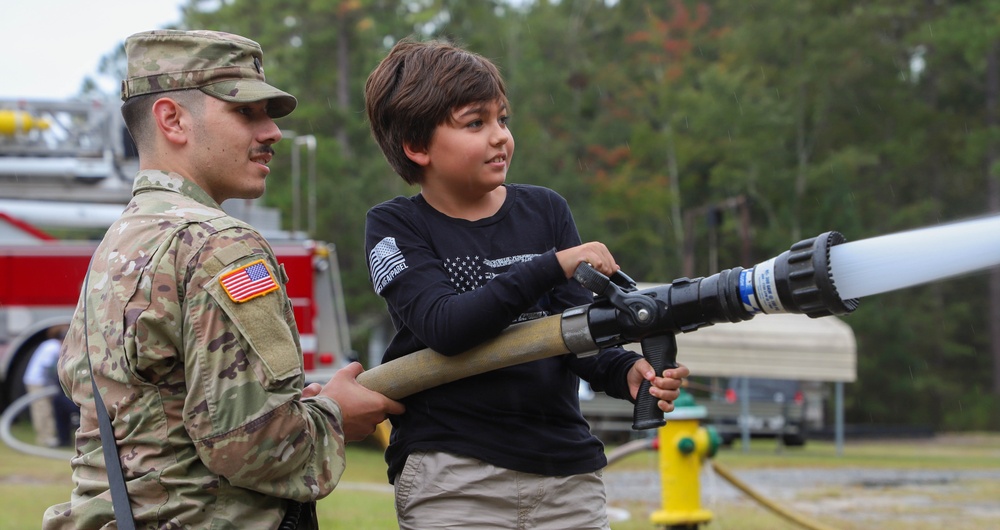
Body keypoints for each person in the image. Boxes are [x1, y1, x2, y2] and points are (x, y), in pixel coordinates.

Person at [43, 29, 404, 530]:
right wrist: (337, 415)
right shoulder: (218, 243)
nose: (272, 132)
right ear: (172, 119)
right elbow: (253, 444)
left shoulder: (121, 240)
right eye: (245, 112)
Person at [363, 38, 691, 530]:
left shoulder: (546, 210)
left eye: (503, 119)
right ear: (417, 146)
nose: (500, 136)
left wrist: (624, 371)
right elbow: (446, 327)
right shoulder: (395, 226)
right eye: (476, 123)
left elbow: (577, 334)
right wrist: (551, 265)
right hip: (454, 475)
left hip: (566, 475)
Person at [23, 326, 67, 448]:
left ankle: (50, 436)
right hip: (37, 382)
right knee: (42, 410)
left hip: (42, 382)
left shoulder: (50, 344)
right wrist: (55, 380)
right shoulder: (53, 347)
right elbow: (47, 366)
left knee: (48, 409)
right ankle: (44, 438)